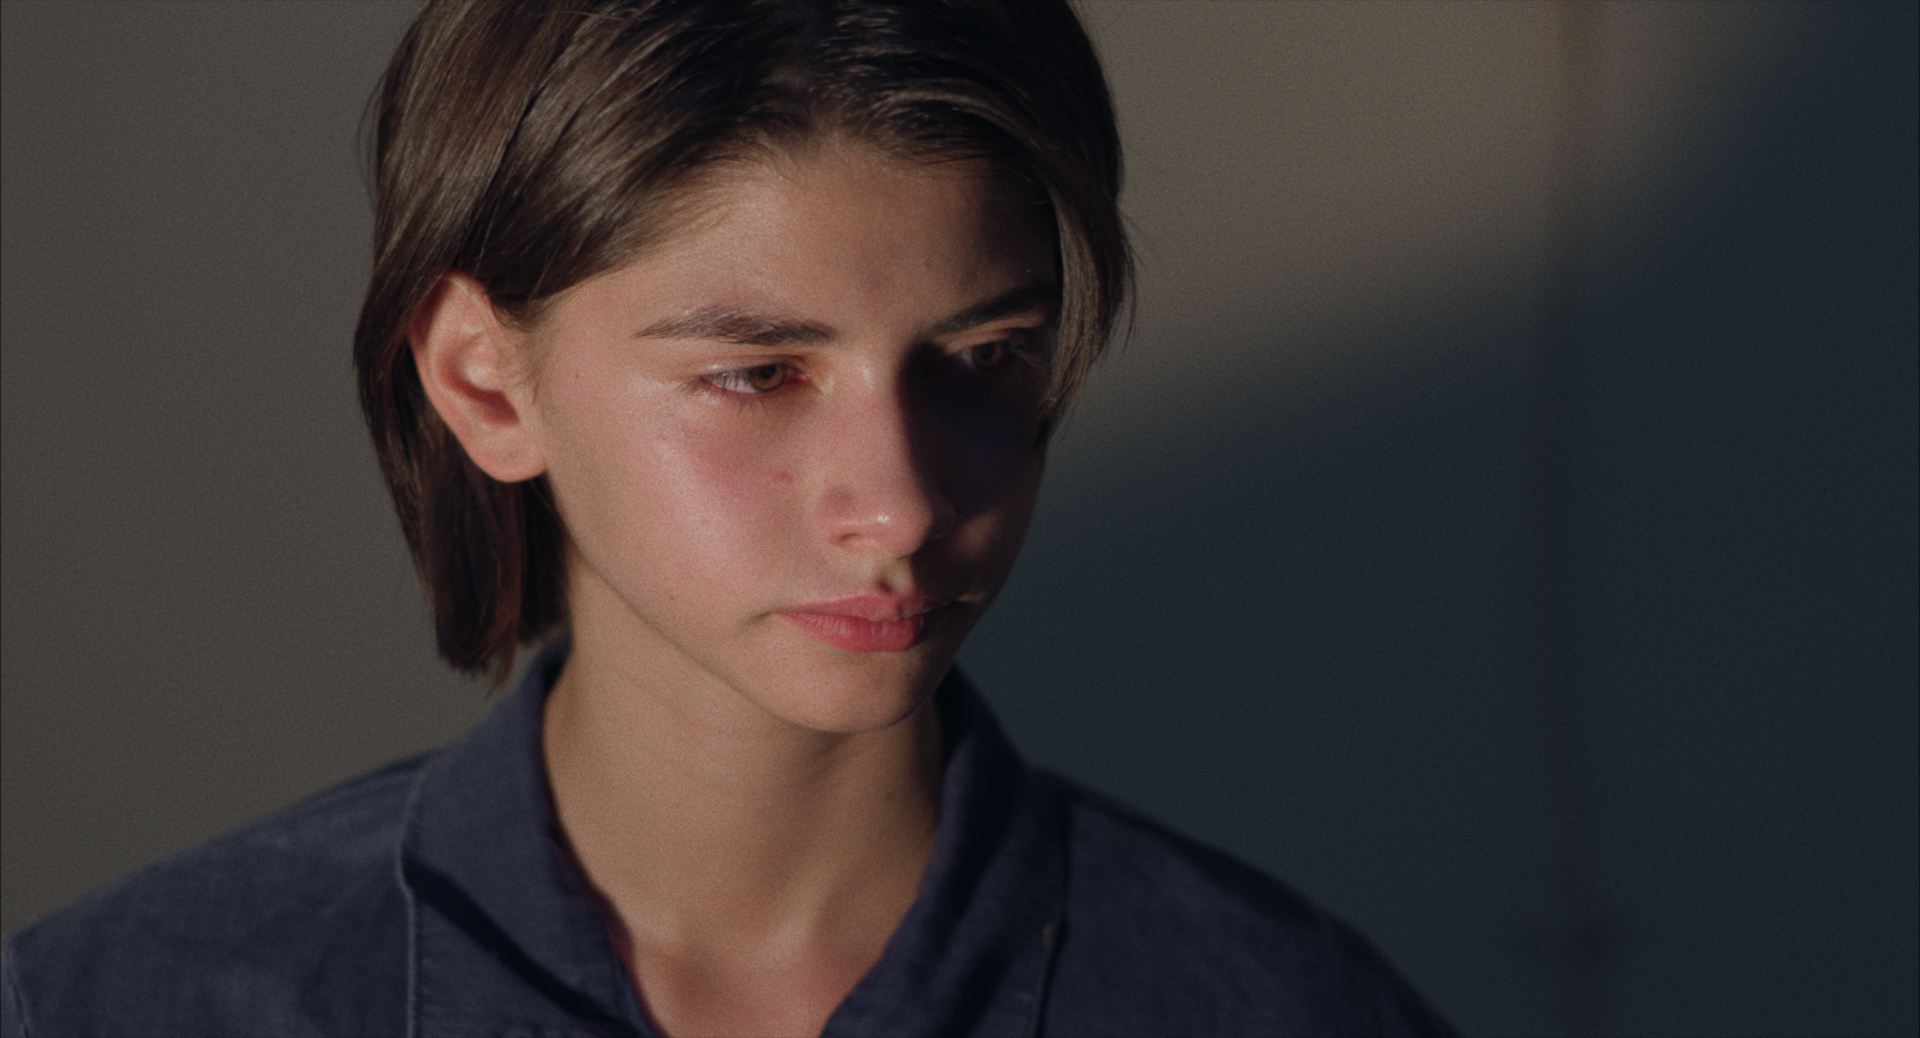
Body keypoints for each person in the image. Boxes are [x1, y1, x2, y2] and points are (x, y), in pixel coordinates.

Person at [1, 2, 1455, 1035]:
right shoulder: (118, 1005)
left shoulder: (1292, 1009)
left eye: (983, 359)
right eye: (758, 374)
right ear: (484, 381)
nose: (900, 503)